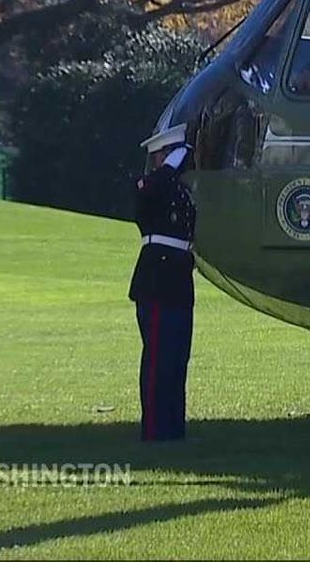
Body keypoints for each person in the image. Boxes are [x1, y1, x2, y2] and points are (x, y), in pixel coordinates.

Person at [129, 122, 196, 441]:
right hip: (157, 277)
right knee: (158, 358)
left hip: (179, 278)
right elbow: (149, 191)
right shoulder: (151, 186)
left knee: (177, 357)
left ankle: (174, 428)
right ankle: (155, 429)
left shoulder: (180, 191)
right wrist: (170, 165)